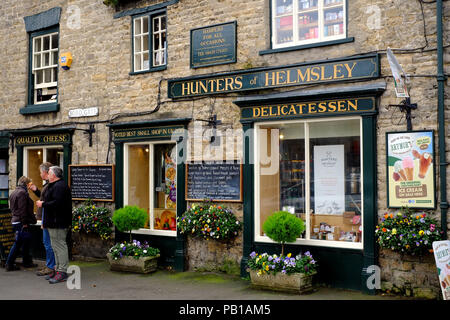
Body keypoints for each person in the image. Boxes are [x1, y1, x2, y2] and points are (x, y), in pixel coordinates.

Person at [36, 166, 72, 284]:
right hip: (53, 221)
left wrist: (43, 204)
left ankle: (62, 272)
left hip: (58, 222)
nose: (48, 174)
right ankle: (57, 270)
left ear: (54, 175)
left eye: (50, 173)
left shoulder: (60, 186)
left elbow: (58, 203)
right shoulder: (54, 185)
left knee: (60, 246)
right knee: (55, 246)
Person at [5, 176, 37, 271]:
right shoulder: (22, 193)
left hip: (15, 220)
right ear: (26, 184)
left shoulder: (14, 192)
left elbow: (13, 208)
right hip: (21, 222)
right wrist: (24, 223)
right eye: (29, 184)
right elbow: (22, 210)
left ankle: (26, 262)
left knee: (24, 242)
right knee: (18, 243)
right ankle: (9, 264)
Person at [29, 162, 55, 277]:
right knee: (47, 243)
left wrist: (44, 221)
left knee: (48, 244)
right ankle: (50, 265)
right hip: (46, 218)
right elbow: (44, 198)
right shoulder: (47, 185)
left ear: (46, 172)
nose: (39, 174)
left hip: (48, 219)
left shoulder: (51, 185)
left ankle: (50, 266)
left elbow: (48, 203)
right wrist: (35, 190)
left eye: (40, 172)